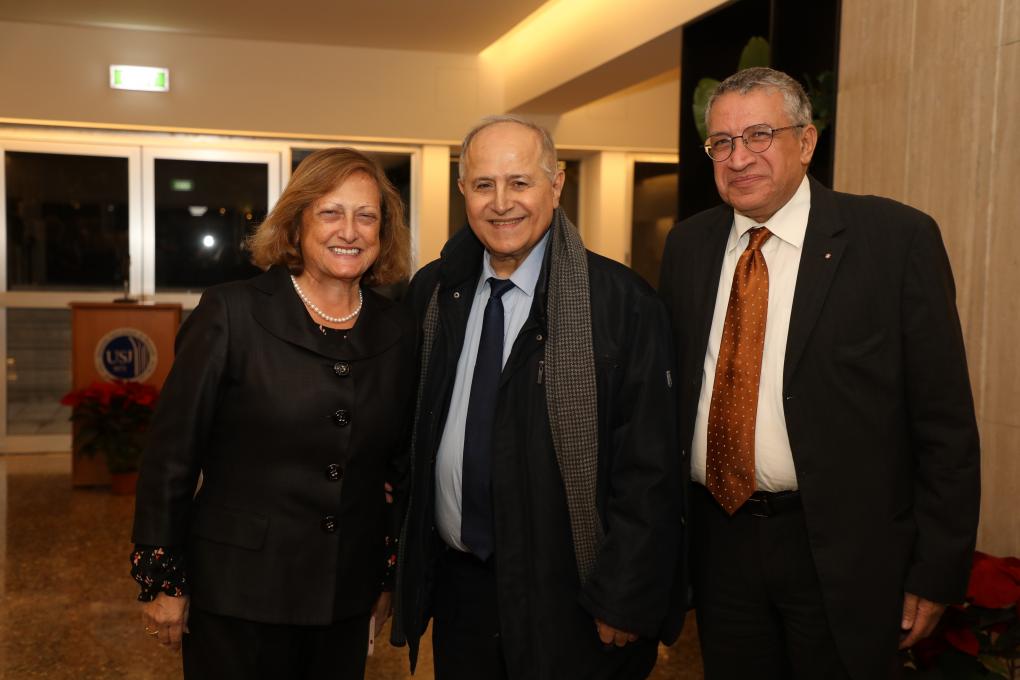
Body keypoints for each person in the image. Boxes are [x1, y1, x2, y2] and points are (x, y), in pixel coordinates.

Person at [658, 67, 981, 680]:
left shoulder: (894, 241)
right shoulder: (688, 247)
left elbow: (944, 424)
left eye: (759, 135)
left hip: (841, 551)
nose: (738, 158)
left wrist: (935, 570)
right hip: (719, 545)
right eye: (722, 142)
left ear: (805, 142)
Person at [393, 115, 686, 680]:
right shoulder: (434, 292)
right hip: (460, 591)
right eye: (484, 185)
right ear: (463, 191)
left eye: (520, 182)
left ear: (556, 185)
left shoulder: (621, 305)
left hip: (572, 597)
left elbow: (649, 470)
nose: (502, 203)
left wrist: (624, 594)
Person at [130, 147, 416, 679]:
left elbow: (399, 466)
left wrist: (386, 576)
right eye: (330, 212)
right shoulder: (232, 312)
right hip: (239, 591)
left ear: (384, 230)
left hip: (344, 594)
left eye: (366, 216)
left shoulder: (398, 330)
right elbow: (172, 454)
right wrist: (162, 576)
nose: (349, 231)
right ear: (297, 222)